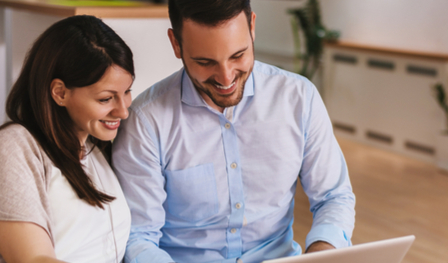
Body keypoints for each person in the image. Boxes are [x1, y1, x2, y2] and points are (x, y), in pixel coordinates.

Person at [111, 0, 356, 262]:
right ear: (176, 44)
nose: (226, 78)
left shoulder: (299, 99)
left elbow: (333, 197)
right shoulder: (147, 121)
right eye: (205, 62)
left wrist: (322, 252)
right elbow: (139, 236)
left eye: (237, 56)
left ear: (252, 26)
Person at [0, 15, 134, 263]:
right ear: (60, 93)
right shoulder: (13, 149)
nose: (123, 111)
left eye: (127, 92)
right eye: (106, 99)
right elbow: (34, 259)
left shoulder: (94, 146)